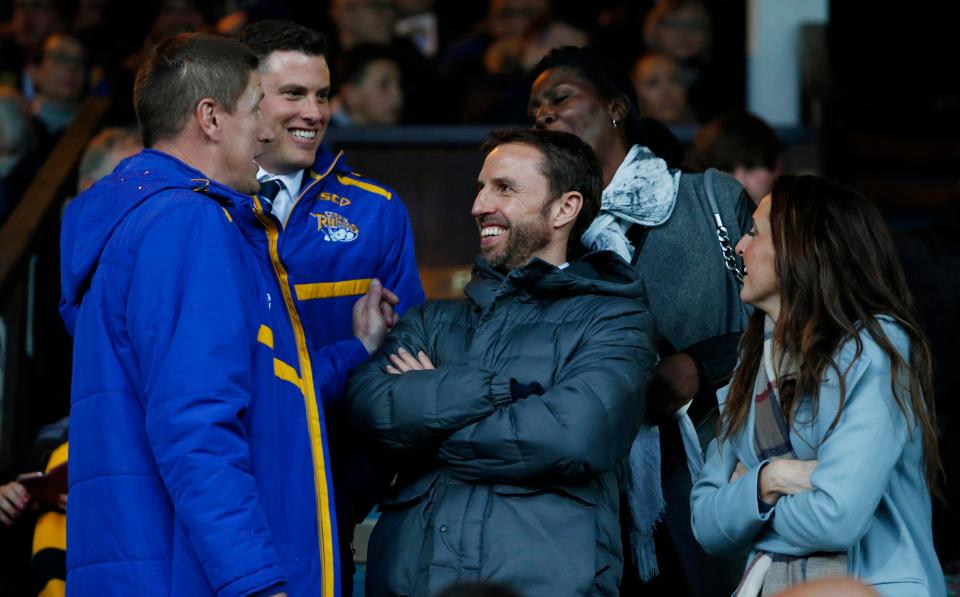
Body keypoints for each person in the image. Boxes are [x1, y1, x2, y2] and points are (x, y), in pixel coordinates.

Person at [59, 32, 394, 596]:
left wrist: (355, 349)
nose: (266, 131)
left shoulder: (139, 222)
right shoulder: (188, 223)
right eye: (254, 110)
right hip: (193, 576)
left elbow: (242, 389)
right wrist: (257, 583)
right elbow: (196, 425)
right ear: (211, 118)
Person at [348, 128, 658, 596]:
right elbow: (369, 410)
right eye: (481, 187)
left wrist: (431, 419)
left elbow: (575, 437)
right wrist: (495, 392)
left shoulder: (615, 319)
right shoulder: (434, 319)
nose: (479, 205)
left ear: (564, 208)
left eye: (504, 188)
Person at [528, 46, 752, 595]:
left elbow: (783, 324)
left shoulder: (709, 199)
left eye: (559, 98)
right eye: (534, 108)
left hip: (713, 466)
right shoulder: (544, 232)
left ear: (616, 108)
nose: (543, 115)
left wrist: (699, 366)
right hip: (591, 486)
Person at [235, 19, 425, 594]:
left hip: (333, 492)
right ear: (243, 99)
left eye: (322, 95)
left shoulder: (377, 211)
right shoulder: (198, 209)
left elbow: (404, 357)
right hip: (225, 480)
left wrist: (354, 480)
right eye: (293, 94)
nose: (313, 113)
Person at [691, 176, 946, 597]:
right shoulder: (751, 361)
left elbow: (837, 517)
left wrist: (746, 505)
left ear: (801, 249)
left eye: (754, 232)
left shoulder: (873, 348)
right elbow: (705, 524)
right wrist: (771, 479)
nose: (739, 247)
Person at [688, 111, 784, 205]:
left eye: (751, 166)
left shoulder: (794, 218)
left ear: (777, 167)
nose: (740, 182)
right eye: (726, 169)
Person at [330, 44, 404, 126]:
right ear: (351, 94)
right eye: (384, 85)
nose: (397, 95)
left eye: (399, 85)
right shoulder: (320, 134)